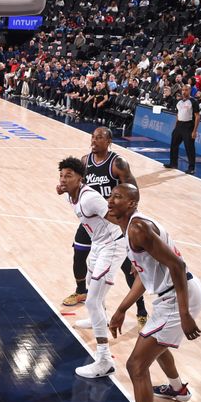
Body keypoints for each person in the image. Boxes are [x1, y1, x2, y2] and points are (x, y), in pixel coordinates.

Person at [107, 184, 201, 402]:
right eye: (111, 195)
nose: (111, 200)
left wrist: (185, 314)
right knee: (154, 344)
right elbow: (144, 275)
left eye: (118, 197)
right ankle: (177, 389)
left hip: (178, 295)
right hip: (168, 296)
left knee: (136, 366)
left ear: (133, 203)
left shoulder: (138, 229)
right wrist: (121, 309)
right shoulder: (130, 229)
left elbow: (176, 265)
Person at [61, 127, 147, 328]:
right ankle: (82, 291)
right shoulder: (85, 161)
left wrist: (130, 218)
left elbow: (133, 191)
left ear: (109, 141)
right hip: (92, 219)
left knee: (128, 267)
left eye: (99, 137)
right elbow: (76, 184)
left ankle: (141, 308)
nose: (94, 140)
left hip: (112, 219)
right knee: (80, 255)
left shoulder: (117, 163)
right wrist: (63, 187)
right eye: (92, 137)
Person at [57, 156, 124, 378]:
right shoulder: (72, 194)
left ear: (81, 179)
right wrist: (62, 188)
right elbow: (64, 188)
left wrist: (134, 248)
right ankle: (99, 318)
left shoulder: (90, 199)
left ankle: (104, 360)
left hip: (112, 246)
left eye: (69, 176)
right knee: (89, 284)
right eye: (61, 175)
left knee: (93, 299)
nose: (63, 179)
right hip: (98, 244)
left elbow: (119, 219)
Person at [163, 85, 200, 175]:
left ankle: (191, 168)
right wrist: (176, 126)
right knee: (174, 145)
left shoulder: (193, 101)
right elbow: (178, 115)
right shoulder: (179, 102)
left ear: (190, 90)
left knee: (189, 148)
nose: (184, 92)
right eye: (183, 90)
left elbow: (197, 116)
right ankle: (173, 163)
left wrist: (194, 131)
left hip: (188, 126)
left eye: (186, 90)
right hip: (179, 125)